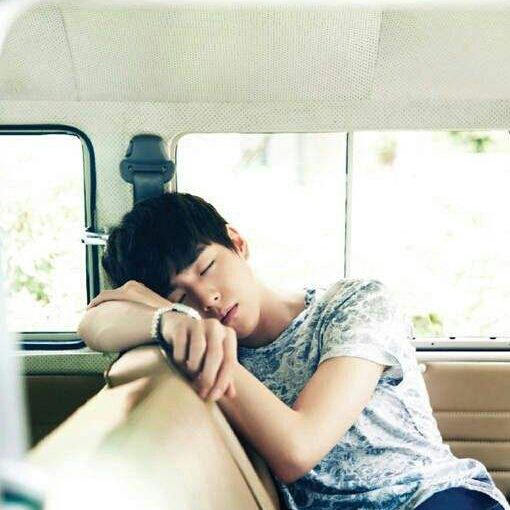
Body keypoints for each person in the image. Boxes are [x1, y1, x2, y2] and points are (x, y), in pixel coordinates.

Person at [78, 192, 508, 510]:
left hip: (431, 496)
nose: (206, 298)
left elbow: (298, 449)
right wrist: (167, 320)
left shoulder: (354, 303)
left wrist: (197, 339)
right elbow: (94, 323)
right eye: (179, 295)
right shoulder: (188, 332)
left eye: (207, 267)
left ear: (237, 242)